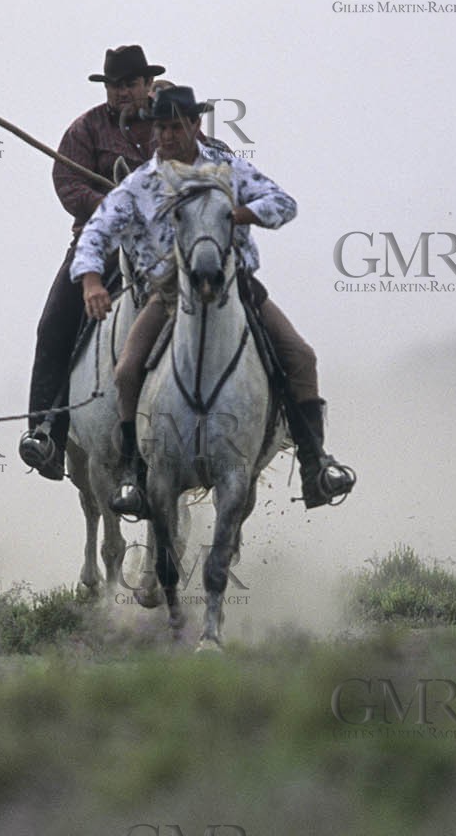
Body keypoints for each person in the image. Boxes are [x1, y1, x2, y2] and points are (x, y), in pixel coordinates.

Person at [71, 85, 356, 517]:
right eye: (160, 128)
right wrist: (91, 279)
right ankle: (132, 472)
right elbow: (97, 231)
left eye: (175, 127)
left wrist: (237, 214)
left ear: (195, 126)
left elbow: (283, 203)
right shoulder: (142, 184)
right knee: (127, 370)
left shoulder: (228, 170)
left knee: (301, 357)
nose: (166, 137)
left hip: (235, 288)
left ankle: (316, 463)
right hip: (168, 295)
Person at [18, 45, 165, 479]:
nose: (122, 92)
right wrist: (112, 205)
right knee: (53, 324)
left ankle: (278, 415)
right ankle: (46, 430)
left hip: (166, 247)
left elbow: (210, 156)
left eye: (130, 84)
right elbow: (66, 182)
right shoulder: (85, 129)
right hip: (98, 246)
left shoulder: (170, 124)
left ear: (146, 85)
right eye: (115, 85)